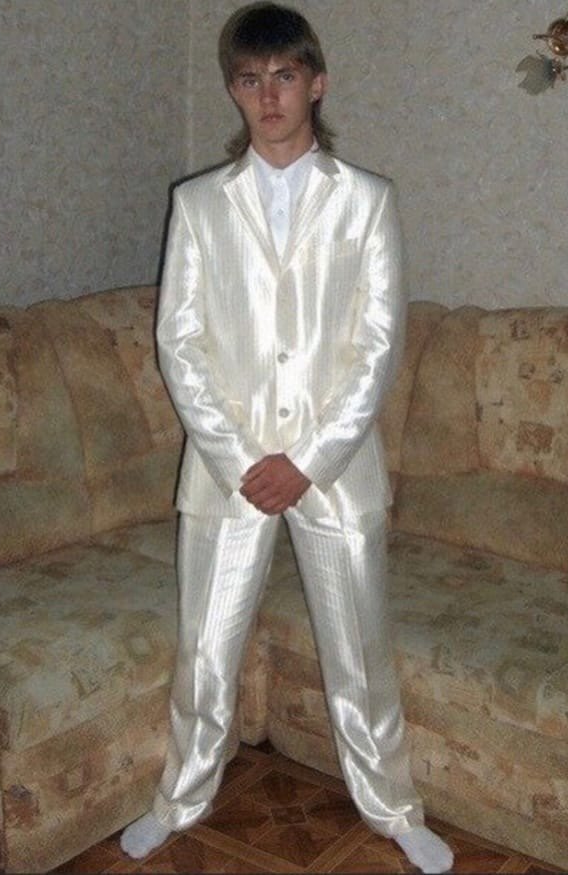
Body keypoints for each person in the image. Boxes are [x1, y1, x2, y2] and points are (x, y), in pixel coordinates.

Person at [121, 3, 453, 872]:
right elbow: (178, 342)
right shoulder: (198, 203)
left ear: (316, 84)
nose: (267, 96)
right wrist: (243, 460)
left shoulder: (367, 199)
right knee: (205, 650)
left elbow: (379, 344)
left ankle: (392, 806)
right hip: (225, 471)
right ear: (233, 91)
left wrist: (305, 461)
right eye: (248, 79)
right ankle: (179, 797)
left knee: (360, 653)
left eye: (283, 76)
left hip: (332, 470)